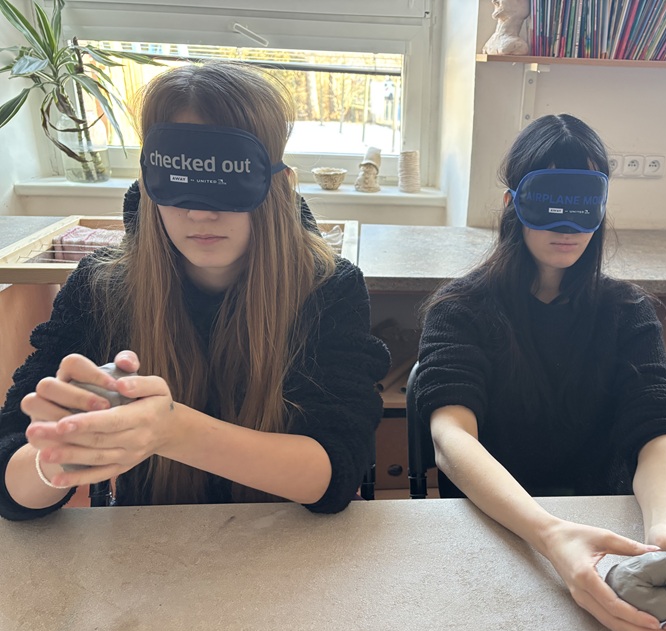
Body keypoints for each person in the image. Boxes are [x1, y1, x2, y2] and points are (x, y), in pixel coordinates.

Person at [0, 61, 390, 521]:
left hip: (290, 546)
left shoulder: (328, 287)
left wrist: (172, 431)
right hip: (149, 547)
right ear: (149, 182)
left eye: (226, 178)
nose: (201, 213)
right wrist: (59, 452)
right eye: (181, 178)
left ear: (279, 183)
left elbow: (338, 471)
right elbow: (10, 479)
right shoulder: (100, 286)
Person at [414, 114, 666, 631]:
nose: (567, 224)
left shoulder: (627, 312)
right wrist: (550, 535)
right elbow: (451, 436)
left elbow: (658, 423)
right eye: (551, 199)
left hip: (607, 520)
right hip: (493, 526)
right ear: (512, 204)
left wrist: (664, 530)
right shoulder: (460, 311)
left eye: (583, 203)